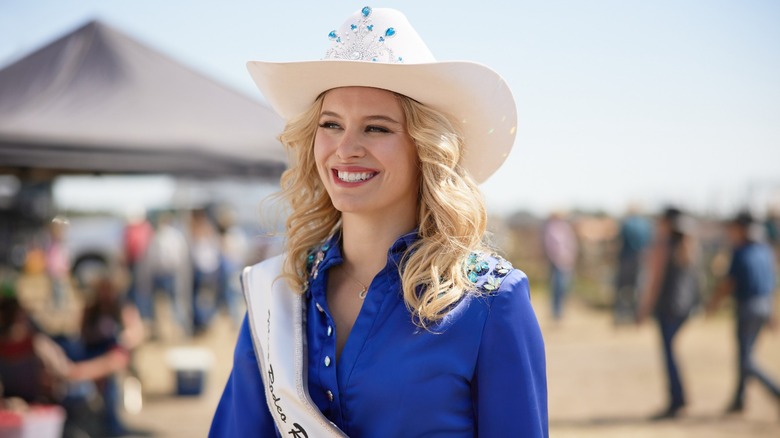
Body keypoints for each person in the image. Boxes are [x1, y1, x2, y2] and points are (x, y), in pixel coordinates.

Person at [210, 6, 547, 437]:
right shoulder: (278, 292)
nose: (345, 148)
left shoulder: (489, 302)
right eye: (331, 124)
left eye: (376, 129)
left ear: (424, 148)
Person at [705, 211, 780, 414]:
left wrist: (712, 304)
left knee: (746, 360)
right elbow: (770, 283)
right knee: (745, 356)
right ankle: (739, 400)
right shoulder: (765, 249)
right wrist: (772, 313)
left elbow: (729, 283)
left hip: (748, 308)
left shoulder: (741, 251)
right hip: (763, 307)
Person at [637, 207, 700, 419]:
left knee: (669, 355)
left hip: (667, 307)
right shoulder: (689, 245)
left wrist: (644, 308)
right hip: (684, 307)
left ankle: (676, 399)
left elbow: (654, 281)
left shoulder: (663, 246)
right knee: (672, 353)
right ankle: (679, 397)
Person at [614, 206, 652, 324]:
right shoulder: (646, 225)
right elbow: (650, 242)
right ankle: (637, 315)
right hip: (642, 260)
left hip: (626, 259)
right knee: (639, 288)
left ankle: (620, 315)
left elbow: (619, 240)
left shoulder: (625, 224)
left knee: (621, 289)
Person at [541, 211, 578, 321]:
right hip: (556, 261)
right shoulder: (551, 228)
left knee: (564, 287)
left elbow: (571, 243)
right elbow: (550, 246)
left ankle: (560, 311)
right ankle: (556, 311)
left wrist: (570, 257)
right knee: (557, 286)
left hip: (566, 260)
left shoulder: (564, 228)